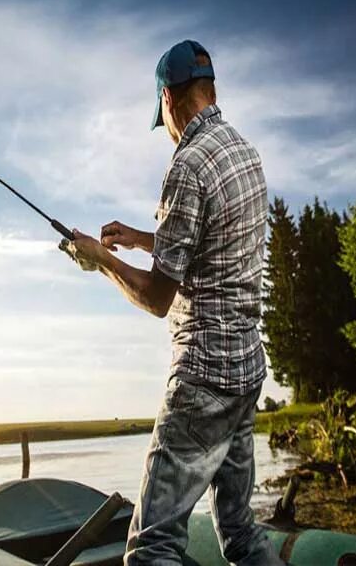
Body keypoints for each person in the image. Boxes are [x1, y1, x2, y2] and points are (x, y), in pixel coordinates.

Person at [63, 39, 282, 566]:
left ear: (169, 98)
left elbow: (160, 298)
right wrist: (140, 238)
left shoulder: (186, 167)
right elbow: (209, 243)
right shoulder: (243, 152)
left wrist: (102, 261)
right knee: (241, 532)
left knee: (152, 546)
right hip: (247, 371)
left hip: (203, 378)